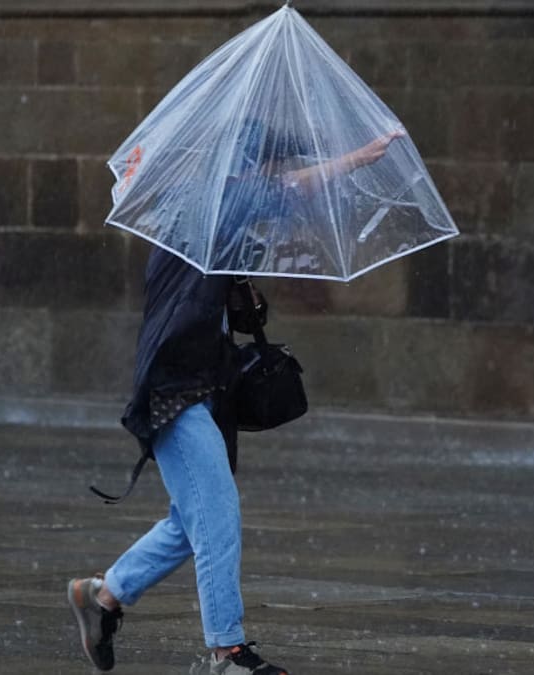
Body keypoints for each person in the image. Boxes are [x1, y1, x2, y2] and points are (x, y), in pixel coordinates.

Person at [67, 125, 404, 674]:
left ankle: (100, 598)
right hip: (174, 391)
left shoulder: (215, 223)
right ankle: (228, 652)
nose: (271, 177)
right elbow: (291, 191)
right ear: (248, 165)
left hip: (204, 389)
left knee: (191, 520)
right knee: (218, 513)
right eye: (267, 165)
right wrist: (359, 156)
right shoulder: (211, 200)